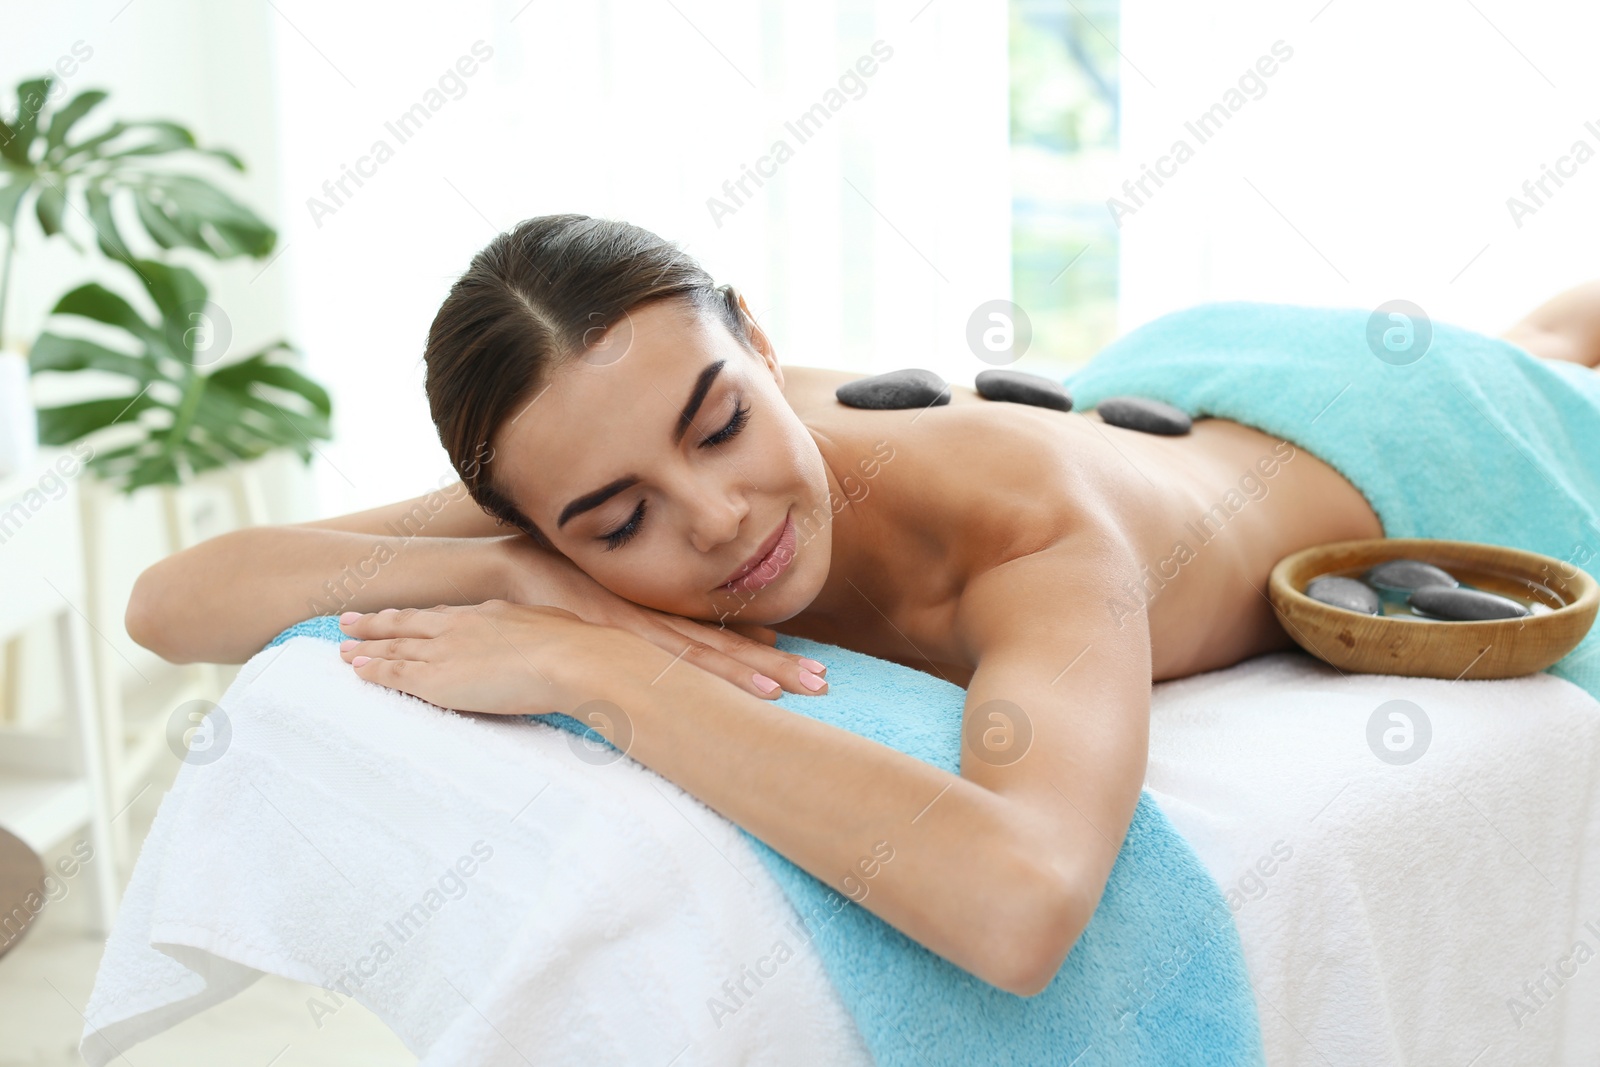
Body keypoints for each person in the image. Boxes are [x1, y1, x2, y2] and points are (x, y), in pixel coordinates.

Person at [125, 214, 1600, 997]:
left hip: (1377, 443)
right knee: (1542, 324)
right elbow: (177, 601)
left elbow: (1022, 906)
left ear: (760, 341)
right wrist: (509, 572)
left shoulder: (1022, 541)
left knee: (1552, 357)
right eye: (613, 524)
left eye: (722, 423)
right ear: (544, 514)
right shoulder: (594, 453)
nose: (718, 523)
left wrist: (616, 678)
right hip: (1169, 384)